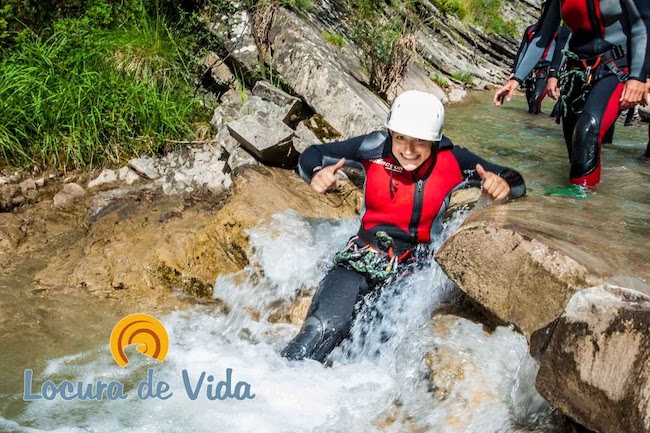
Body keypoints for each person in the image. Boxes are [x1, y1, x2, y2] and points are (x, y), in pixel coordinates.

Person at [281, 90, 527, 363]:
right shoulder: (373, 147)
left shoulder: (455, 162)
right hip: (362, 255)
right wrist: (316, 173)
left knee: (379, 349)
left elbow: (515, 180)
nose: (408, 150)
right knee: (320, 330)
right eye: (400, 138)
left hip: (415, 268)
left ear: (434, 140)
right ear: (391, 132)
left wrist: (501, 184)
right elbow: (314, 154)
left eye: (420, 141)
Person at [494, 0, 650, 188]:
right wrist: (516, 79)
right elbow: (542, 35)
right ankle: (571, 208)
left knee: (587, 132)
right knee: (576, 148)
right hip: (576, 73)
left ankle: (582, 205)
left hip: (616, 69)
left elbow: (643, 26)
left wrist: (639, 77)